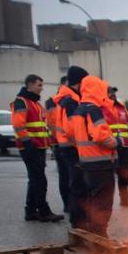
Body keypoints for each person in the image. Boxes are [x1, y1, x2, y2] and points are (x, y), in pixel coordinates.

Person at [69, 75, 118, 237]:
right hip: (101, 164)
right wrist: (115, 142)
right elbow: (101, 136)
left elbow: (73, 135)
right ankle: (100, 237)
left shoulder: (79, 109)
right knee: (103, 202)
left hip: (88, 163)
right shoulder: (93, 109)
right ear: (97, 89)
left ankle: (93, 233)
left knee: (93, 200)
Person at [11, 74, 63, 222]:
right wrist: (28, 144)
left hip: (38, 147)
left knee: (35, 179)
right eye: (39, 85)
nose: (42, 88)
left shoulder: (35, 104)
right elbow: (18, 125)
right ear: (30, 85)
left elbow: (42, 126)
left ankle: (31, 210)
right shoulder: (22, 102)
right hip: (30, 147)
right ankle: (43, 211)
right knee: (39, 180)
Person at [52, 67, 88, 226]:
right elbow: (72, 129)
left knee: (77, 183)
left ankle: (79, 220)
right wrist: (83, 145)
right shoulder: (70, 101)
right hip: (72, 149)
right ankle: (78, 223)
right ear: (79, 82)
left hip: (69, 147)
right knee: (77, 185)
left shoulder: (69, 99)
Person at [105, 86, 128, 207]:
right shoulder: (102, 108)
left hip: (123, 146)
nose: (113, 94)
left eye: (114, 92)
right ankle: (104, 204)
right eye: (110, 92)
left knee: (124, 174)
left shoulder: (121, 107)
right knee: (107, 178)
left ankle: (125, 198)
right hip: (108, 147)